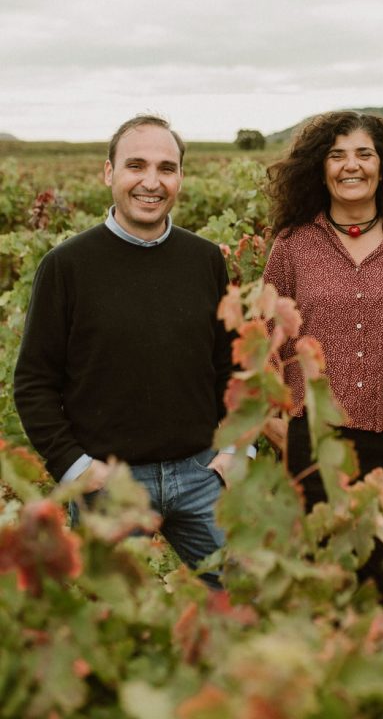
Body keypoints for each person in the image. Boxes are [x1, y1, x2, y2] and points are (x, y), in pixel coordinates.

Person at [14, 114, 239, 586]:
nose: (151, 182)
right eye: (136, 165)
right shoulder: (65, 267)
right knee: (113, 620)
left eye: (166, 168)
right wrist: (77, 468)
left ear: (180, 177)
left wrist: (237, 450)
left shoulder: (204, 259)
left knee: (244, 602)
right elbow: (34, 383)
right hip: (109, 487)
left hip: (202, 476)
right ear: (108, 172)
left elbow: (231, 364)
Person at [262, 110, 383, 600]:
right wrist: (273, 418)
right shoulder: (293, 245)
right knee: (321, 576)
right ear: (320, 169)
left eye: (364, 154)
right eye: (336, 155)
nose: (351, 165)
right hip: (315, 440)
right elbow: (269, 333)